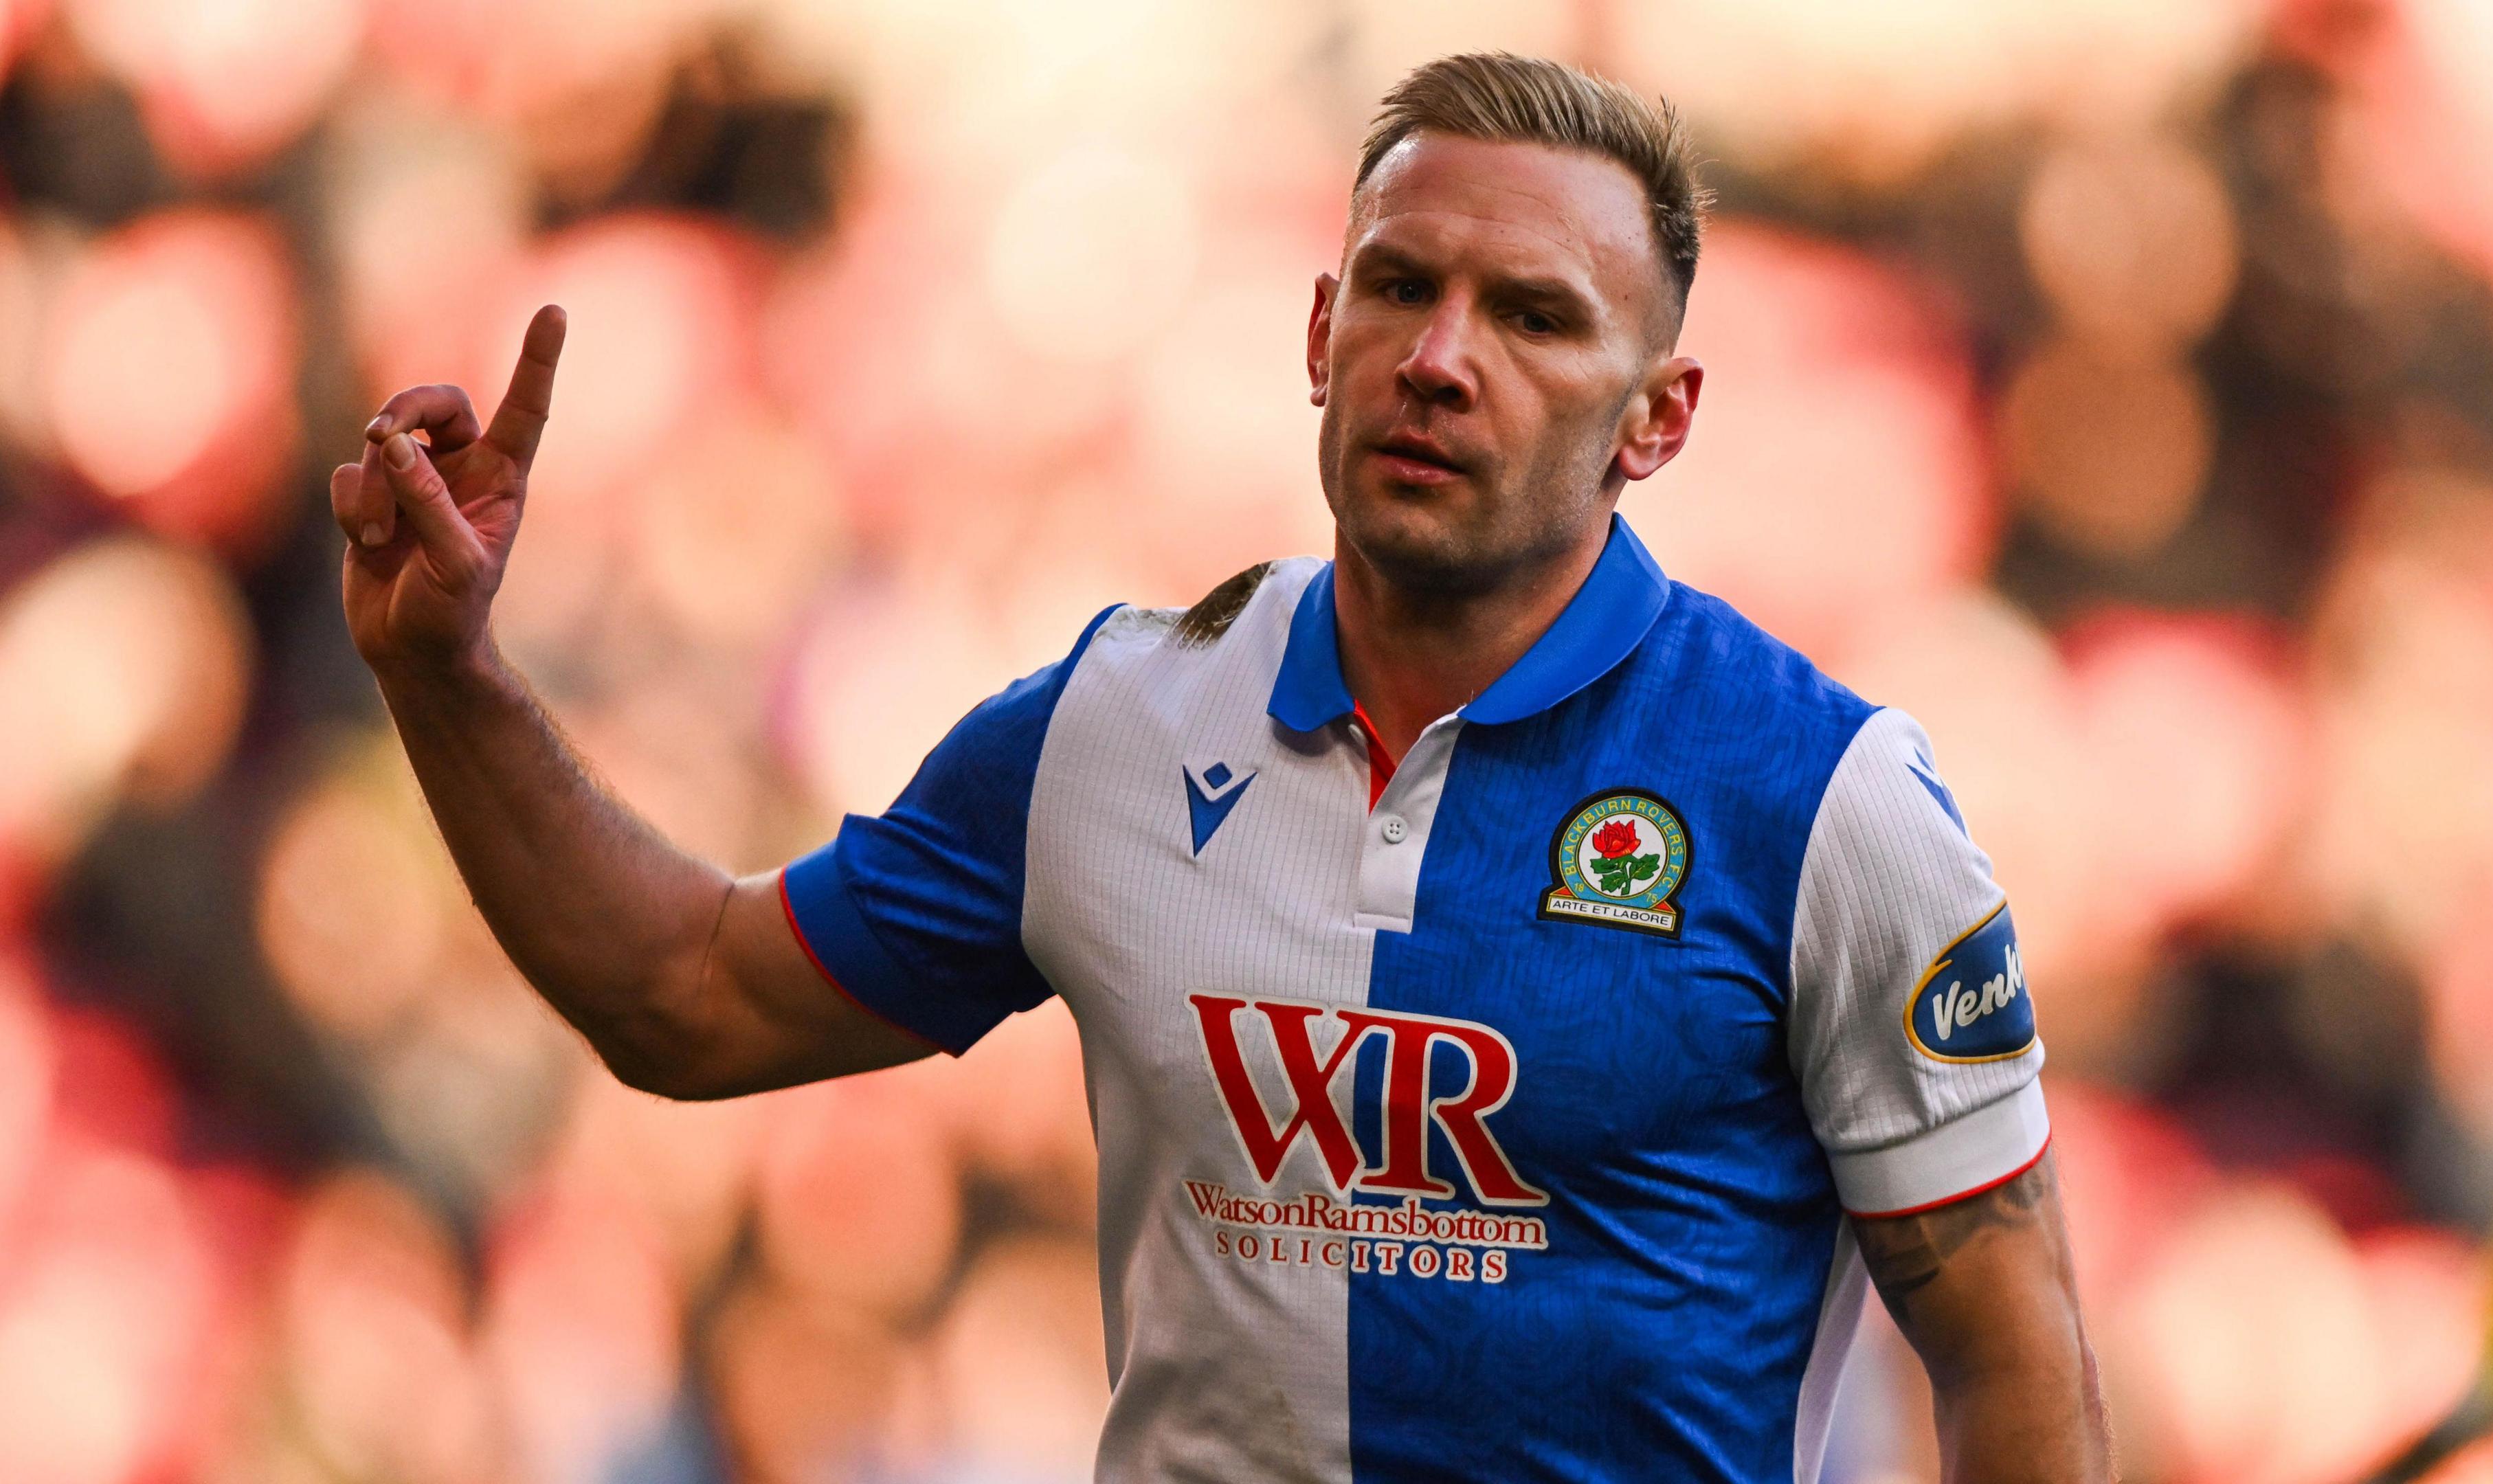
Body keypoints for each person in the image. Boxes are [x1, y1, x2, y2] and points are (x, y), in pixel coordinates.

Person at [328, 51, 2109, 1484]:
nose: (1439, 360)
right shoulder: (1109, 728)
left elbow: (2013, 1357)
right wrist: (447, 671)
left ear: (1659, 417)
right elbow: (683, 997)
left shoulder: (1828, 802)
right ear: (1318, 334)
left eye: (1535, 319)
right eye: (1400, 291)